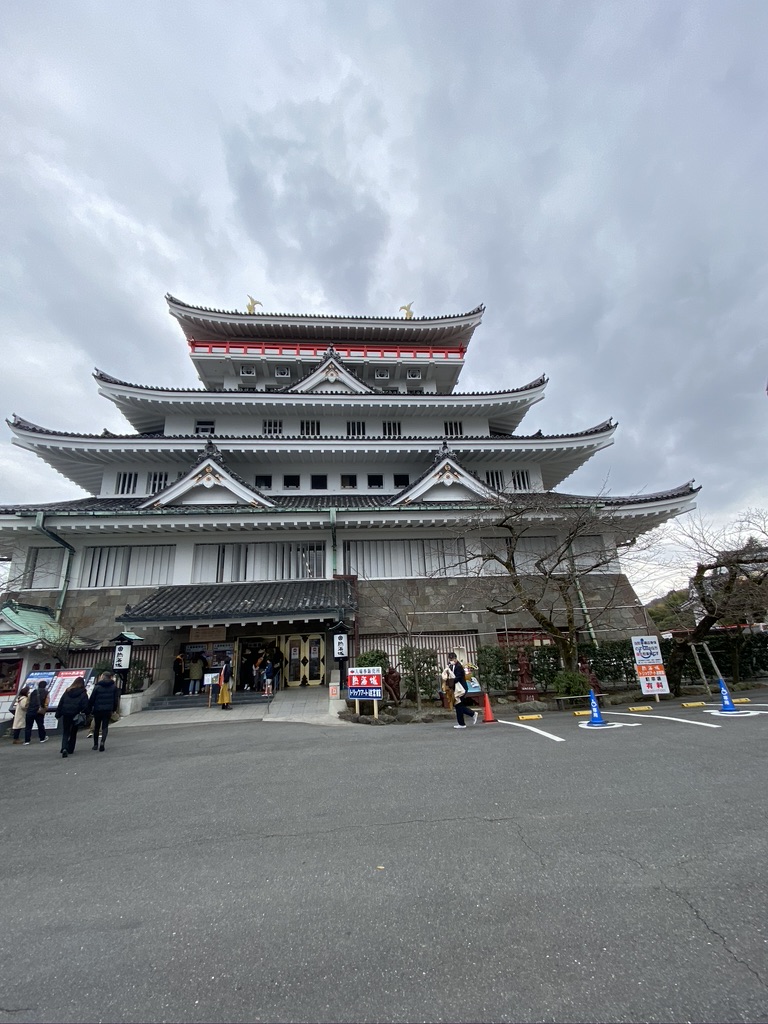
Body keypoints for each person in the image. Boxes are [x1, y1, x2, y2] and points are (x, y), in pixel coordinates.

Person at [55, 677, 89, 758]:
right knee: (73, 732)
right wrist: (86, 713)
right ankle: (70, 748)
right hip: (76, 714)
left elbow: (61, 702)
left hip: (66, 713)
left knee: (66, 731)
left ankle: (64, 747)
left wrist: (58, 713)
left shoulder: (67, 691)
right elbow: (85, 705)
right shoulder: (83, 693)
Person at [88, 671, 119, 751]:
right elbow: (116, 700)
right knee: (105, 726)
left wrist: (90, 708)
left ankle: (95, 745)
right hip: (108, 709)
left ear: (102, 677)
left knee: (97, 726)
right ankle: (102, 742)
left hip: (98, 709)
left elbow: (92, 699)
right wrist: (114, 709)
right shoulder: (113, 687)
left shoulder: (97, 687)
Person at [447, 653, 478, 729]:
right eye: (450, 660)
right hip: (457, 689)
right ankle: (466, 719)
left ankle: (465, 721)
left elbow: (457, 678)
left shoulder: (459, 667)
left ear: (455, 658)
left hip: (461, 689)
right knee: (458, 705)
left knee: (458, 705)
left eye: (452, 660)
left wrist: (449, 681)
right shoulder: (451, 666)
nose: (451, 661)